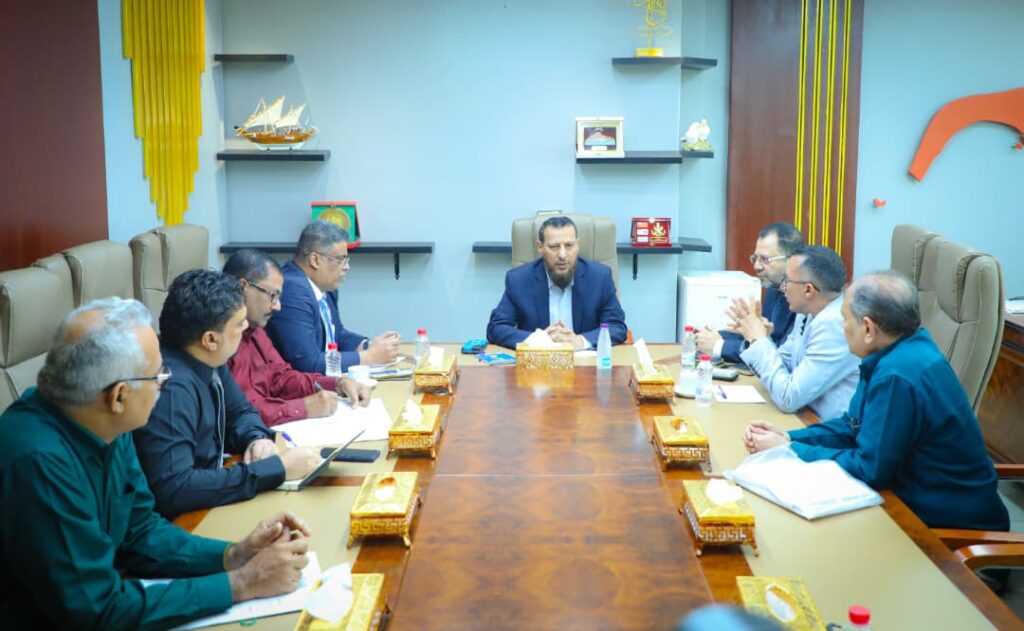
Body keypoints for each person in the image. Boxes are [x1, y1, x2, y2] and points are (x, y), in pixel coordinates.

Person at [0, 297, 312, 629]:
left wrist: (235, 555)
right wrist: (243, 583)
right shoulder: (38, 462)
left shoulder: (106, 421)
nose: (165, 381)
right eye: (158, 376)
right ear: (120, 395)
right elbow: (97, 609)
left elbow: (139, 532)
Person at [743, 271, 1008, 531]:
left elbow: (868, 468)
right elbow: (851, 425)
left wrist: (792, 451)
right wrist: (789, 438)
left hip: (947, 526)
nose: (842, 327)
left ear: (868, 328)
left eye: (845, 319)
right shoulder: (895, 351)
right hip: (911, 500)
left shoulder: (897, 375)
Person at [134, 269, 321, 519]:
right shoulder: (171, 388)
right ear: (211, 339)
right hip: (185, 519)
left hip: (214, 494)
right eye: (239, 322)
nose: (246, 326)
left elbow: (241, 412)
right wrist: (277, 469)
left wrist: (256, 439)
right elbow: (175, 488)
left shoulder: (209, 357)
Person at [224, 248, 371, 426]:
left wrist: (337, 384)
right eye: (272, 296)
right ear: (242, 288)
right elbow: (241, 412)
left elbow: (281, 378)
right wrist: (303, 407)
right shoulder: (222, 340)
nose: (277, 306)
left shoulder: (256, 330)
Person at [729, 245, 859, 420]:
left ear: (808, 289)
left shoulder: (835, 325)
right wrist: (758, 338)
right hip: (804, 416)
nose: (782, 288)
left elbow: (788, 398)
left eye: (787, 281)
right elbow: (784, 365)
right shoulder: (807, 313)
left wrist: (759, 340)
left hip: (823, 427)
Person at [266, 221, 400, 374]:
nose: (347, 267)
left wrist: (369, 345)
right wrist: (369, 357)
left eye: (347, 259)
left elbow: (336, 335)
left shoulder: (325, 287)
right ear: (315, 260)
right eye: (340, 259)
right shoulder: (292, 290)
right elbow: (308, 363)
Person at [486, 216, 627, 349]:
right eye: (554, 247)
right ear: (540, 247)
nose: (562, 255)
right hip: (538, 362)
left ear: (578, 245)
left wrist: (581, 341)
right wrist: (535, 339)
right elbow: (496, 328)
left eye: (569, 245)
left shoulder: (599, 278)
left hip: (585, 361)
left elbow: (616, 327)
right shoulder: (519, 279)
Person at [695, 222, 802, 363]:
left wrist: (718, 345)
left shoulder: (804, 299)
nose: (756, 266)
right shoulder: (773, 287)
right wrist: (711, 337)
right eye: (755, 258)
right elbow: (760, 338)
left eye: (765, 259)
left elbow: (779, 354)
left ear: (791, 259)